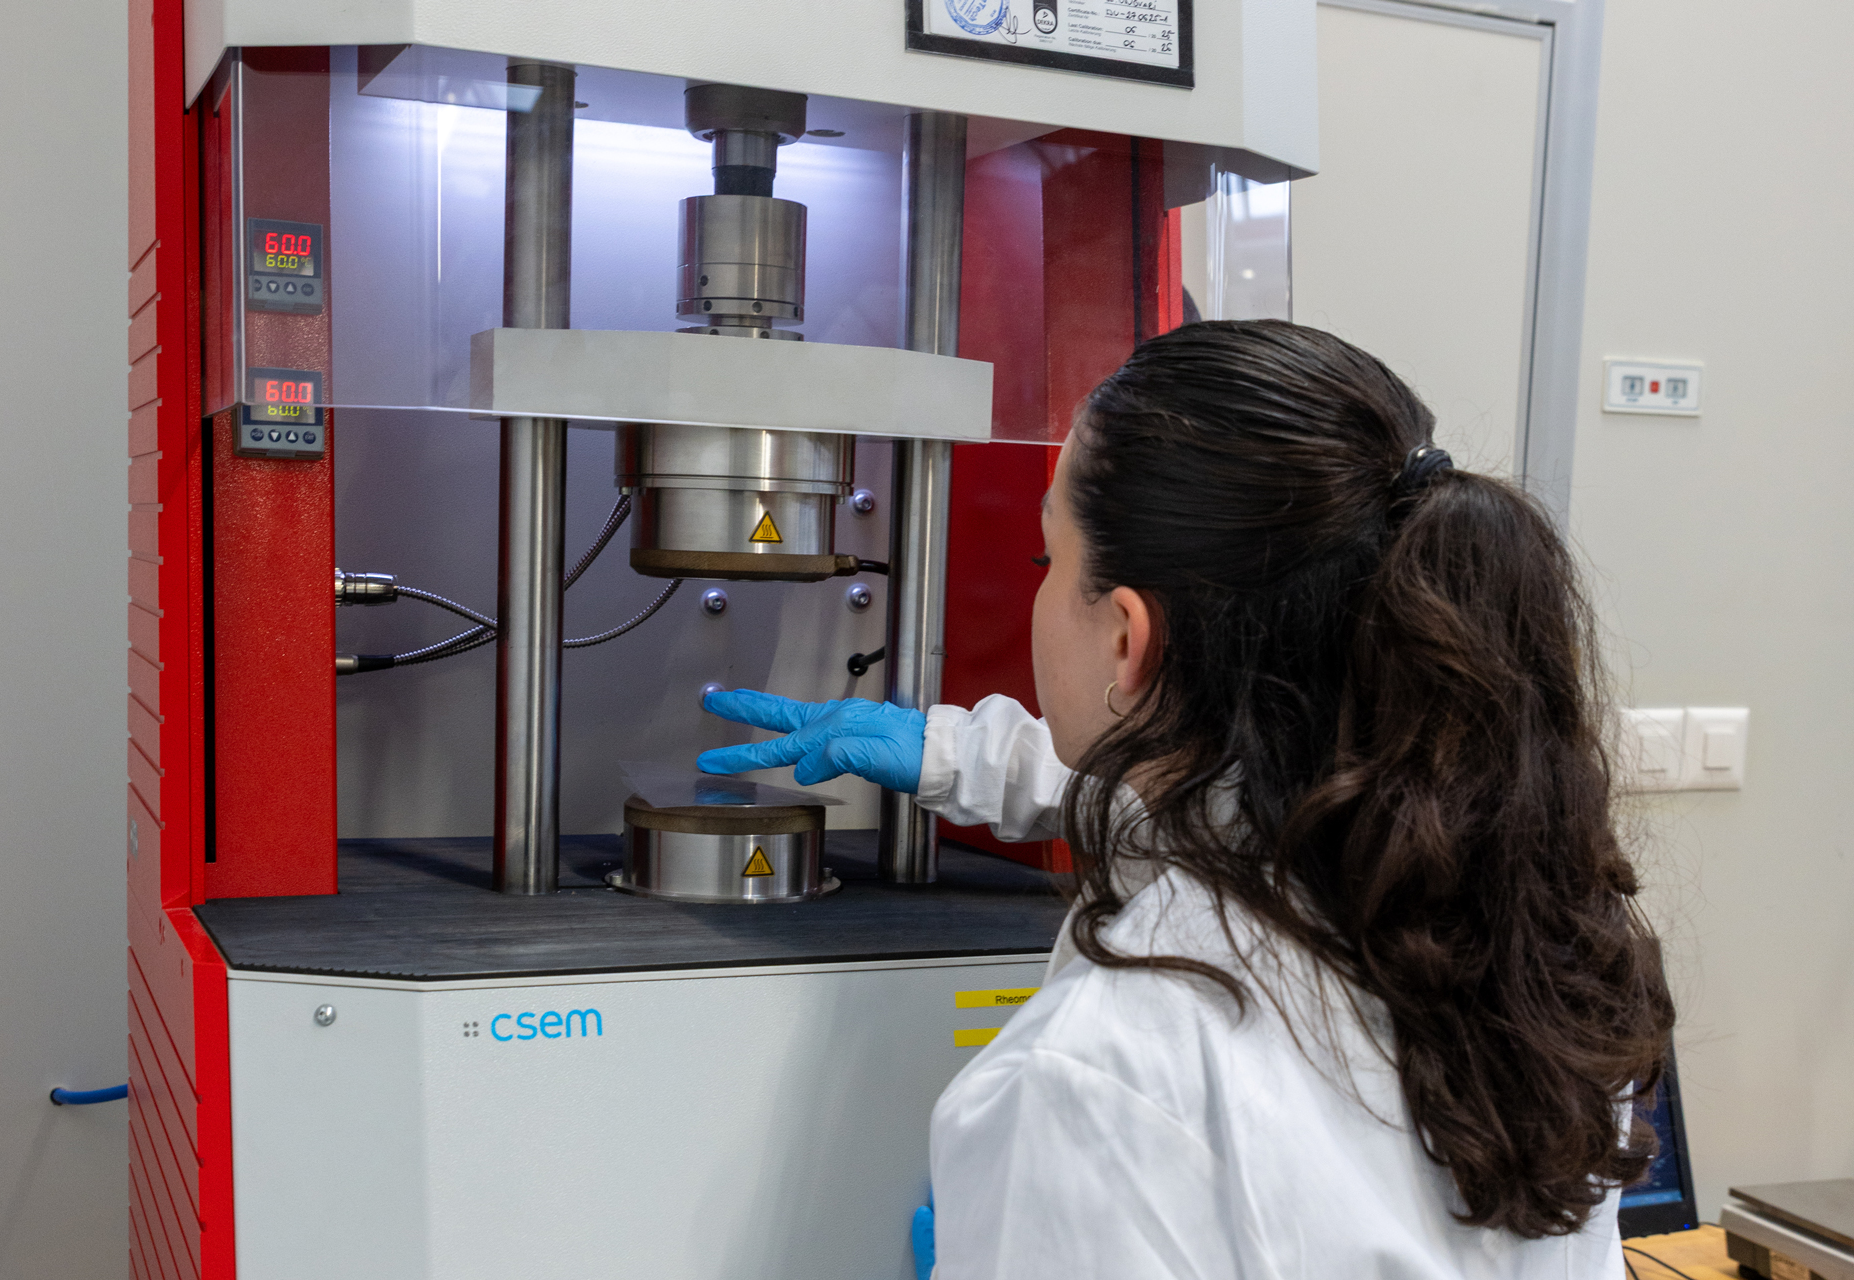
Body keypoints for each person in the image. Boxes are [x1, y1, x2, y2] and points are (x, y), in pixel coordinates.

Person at [696, 320, 1675, 1279]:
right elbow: (1215, 803)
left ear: (1128, 635)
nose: (1041, 590)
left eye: (1049, 560)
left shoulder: (1101, 1078)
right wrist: (958, 754)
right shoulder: (1537, 956)